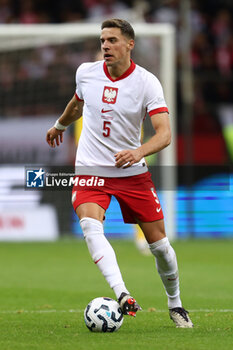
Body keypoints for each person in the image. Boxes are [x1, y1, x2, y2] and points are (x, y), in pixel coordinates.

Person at [46, 18, 193, 328]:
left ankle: (175, 304)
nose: (105, 45)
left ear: (130, 44)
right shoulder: (86, 73)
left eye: (112, 40)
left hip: (132, 173)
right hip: (90, 169)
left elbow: (164, 134)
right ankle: (122, 293)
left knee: (160, 247)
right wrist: (60, 125)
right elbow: (77, 104)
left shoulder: (147, 82)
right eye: (103, 40)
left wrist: (138, 152)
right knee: (90, 226)